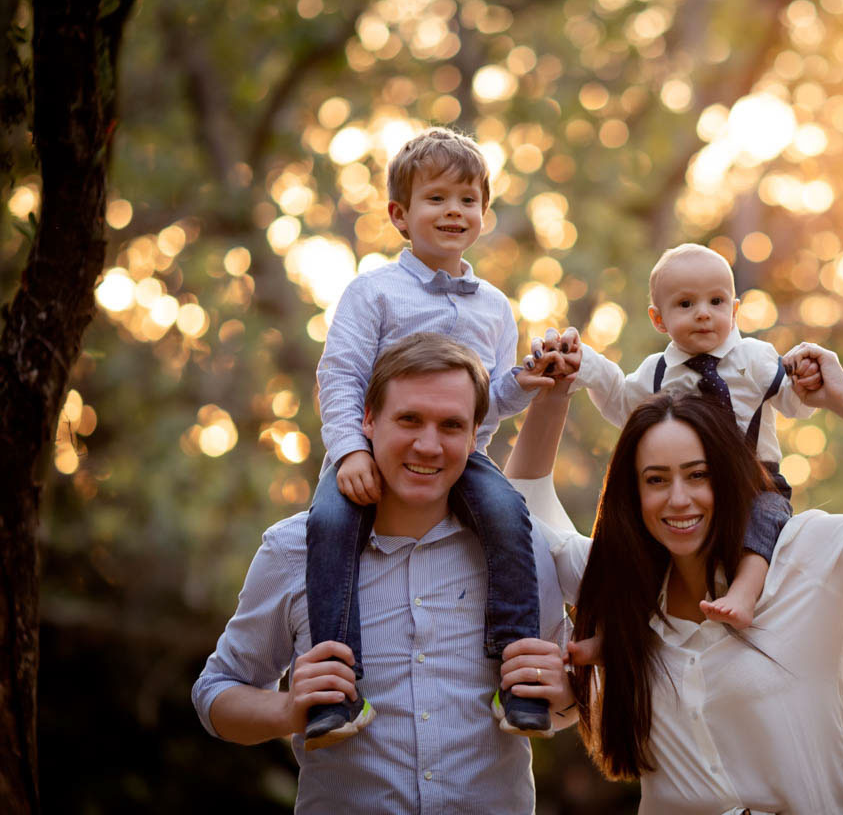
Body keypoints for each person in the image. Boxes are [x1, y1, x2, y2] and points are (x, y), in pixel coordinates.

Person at [508, 340, 843, 814]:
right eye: (656, 480)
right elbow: (520, 513)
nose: (678, 499)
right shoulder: (618, 581)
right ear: (633, 494)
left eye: (698, 475)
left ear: (729, 476)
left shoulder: (804, 556)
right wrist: (556, 390)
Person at [192, 334, 578, 813]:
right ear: (368, 420)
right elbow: (215, 693)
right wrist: (287, 709)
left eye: (451, 425)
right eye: (409, 419)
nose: (428, 445)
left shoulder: (522, 549)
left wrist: (565, 694)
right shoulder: (293, 550)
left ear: (474, 433)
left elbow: (569, 705)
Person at [307, 126, 564, 746]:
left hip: (459, 457)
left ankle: (517, 675)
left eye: (468, 200)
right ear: (400, 215)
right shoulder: (373, 292)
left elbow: (486, 406)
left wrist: (525, 381)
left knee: (509, 514)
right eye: (437, 198)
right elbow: (340, 376)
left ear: (484, 213)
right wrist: (348, 452)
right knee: (330, 524)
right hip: (370, 451)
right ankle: (336, 689)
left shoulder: (494, 306)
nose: (454, 211)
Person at [565, 243, 814, 628]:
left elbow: (796, 404)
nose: (703, 313)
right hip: (690, 485)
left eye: (716, 302)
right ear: (658, 319)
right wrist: (586, 363)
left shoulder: (756, 358)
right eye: (685, 304)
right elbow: (620, 402)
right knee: (638, 541)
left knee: (767, 519)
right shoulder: (658, 373)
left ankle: (744, 593)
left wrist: (806, 376)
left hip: (757, 481)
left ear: (734, 310)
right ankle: (609, 628)